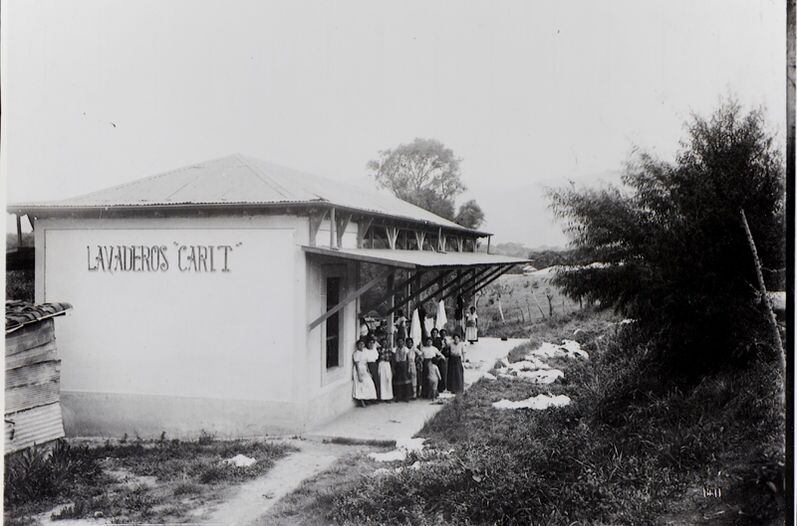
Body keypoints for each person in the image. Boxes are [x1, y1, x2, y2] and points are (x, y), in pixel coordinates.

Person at [352, 340, 377, 407]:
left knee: (369, 383)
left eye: (362, 344)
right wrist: (359, 375)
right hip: (359, 369)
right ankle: (361, 401)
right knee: (360, 385)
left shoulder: (364, 352)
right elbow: (357, 364)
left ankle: (367, 399)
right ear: (357, 346)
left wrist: (368, 372)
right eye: (360, 344)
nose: (361, 346)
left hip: (364, 369)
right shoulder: (356, 353)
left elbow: (366, 364)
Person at [392, 338, 412, 402]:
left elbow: (408, 359)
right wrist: (393, 368)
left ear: (403, 343)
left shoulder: (406, 350)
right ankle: (398, 396)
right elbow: (393, 360)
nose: (400, 343)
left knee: (406, 382)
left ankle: (406, 397)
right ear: (397, 343)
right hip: (398, 366)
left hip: (404, 366)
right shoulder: (395, 350)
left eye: (401, 342)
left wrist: (409, 368)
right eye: (398, 342)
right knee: (398, 382)